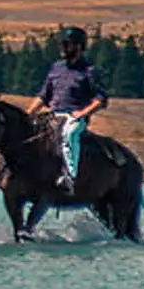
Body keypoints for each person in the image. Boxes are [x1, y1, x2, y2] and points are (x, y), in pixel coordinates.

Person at [35, 25, 108, 191]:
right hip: (53, 115)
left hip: (74, 117)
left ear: (79, 47)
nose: (62, 48)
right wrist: (27, 114)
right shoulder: (56, 68)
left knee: (68, 135)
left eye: (66, 44)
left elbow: (101, 99)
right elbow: (43, 96)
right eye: (61, 44)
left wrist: (82, 113)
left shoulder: (89, 71)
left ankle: (70, 177)